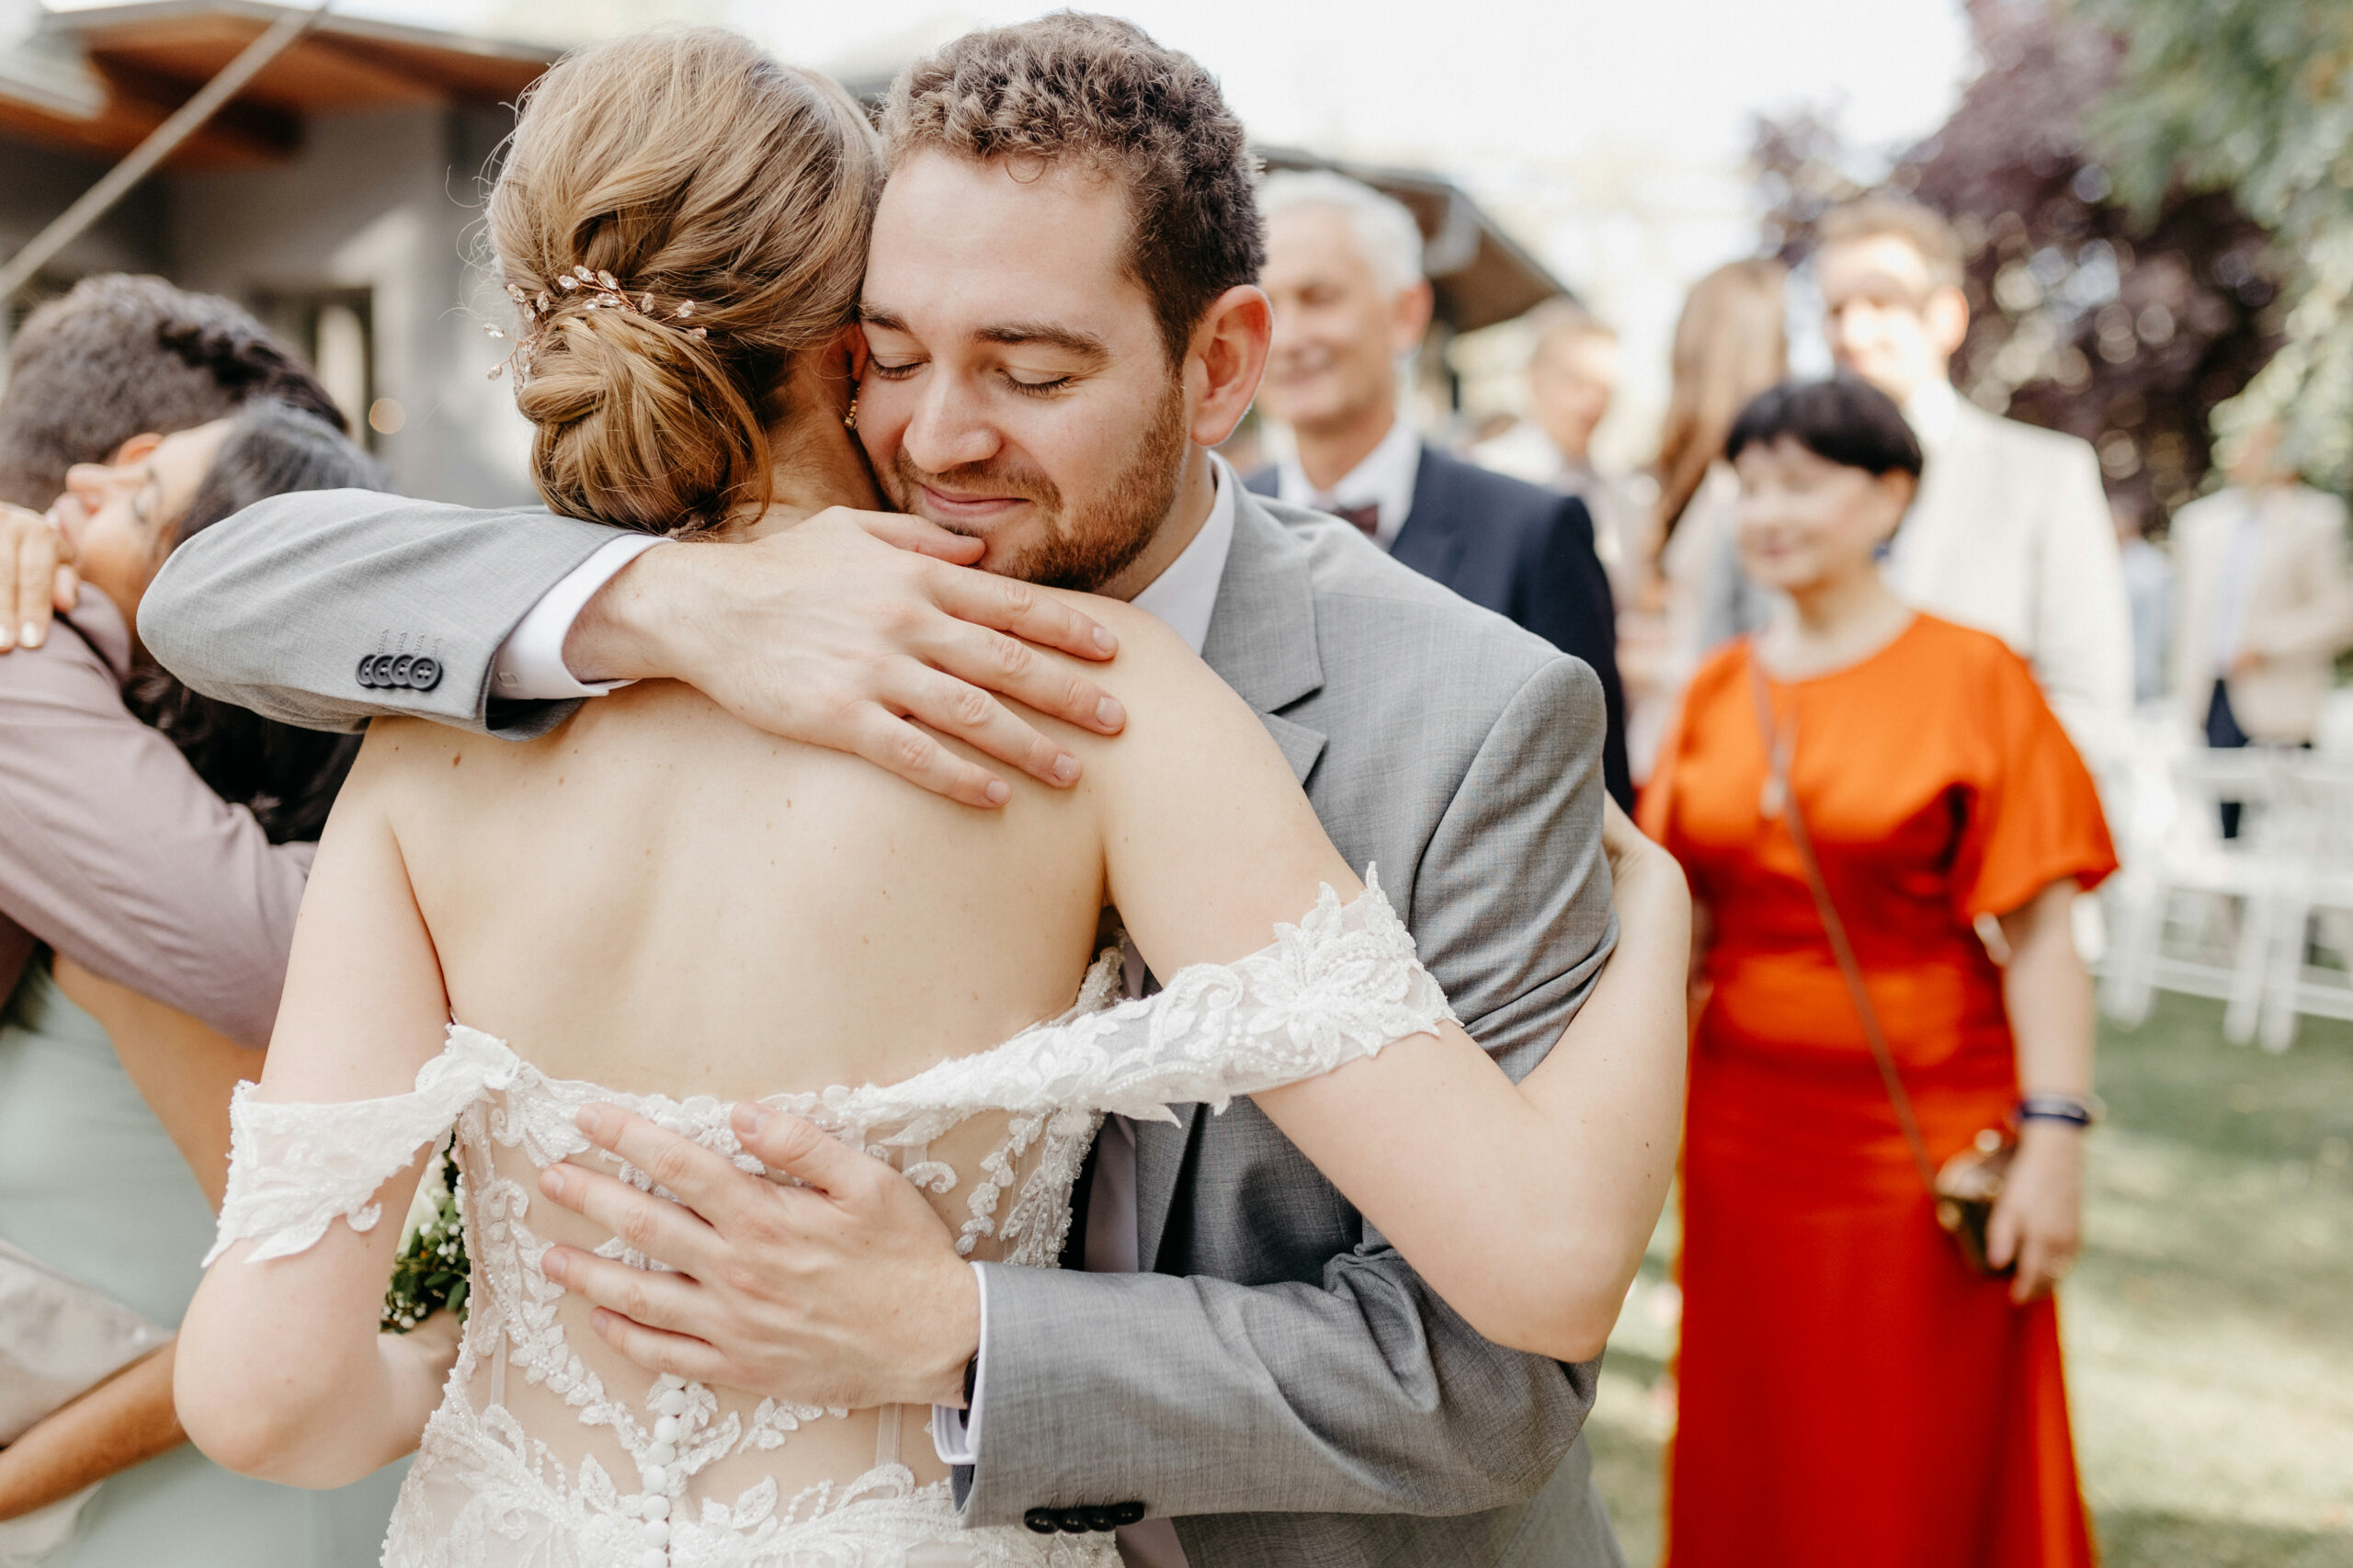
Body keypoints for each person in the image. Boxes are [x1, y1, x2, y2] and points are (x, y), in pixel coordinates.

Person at [145, 21, 1687, 1568]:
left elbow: (264, 1391)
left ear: (1217, 365)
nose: (943, 436)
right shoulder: (1079, 697)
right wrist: (677, 609)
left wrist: (474, 1371)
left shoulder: (430, 753)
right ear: (838, 331)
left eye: (1028, 371)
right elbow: (1548, 1250)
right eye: (897, 358)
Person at [1640, 377, 2115, 1568]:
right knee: (1761, 1428)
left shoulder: (1974, 675)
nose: (1766, 512)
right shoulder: (1712, 690)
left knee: (1917, 1444)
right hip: (1745, 1137)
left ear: (1890, 493)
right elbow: (1673, 935)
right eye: (1749, 486)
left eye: (1801, 481)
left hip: (1925, 1134)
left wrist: (2052, 1139)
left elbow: (2044, 934)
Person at [0, 400, 404, 1565]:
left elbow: (325, 1311)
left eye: (139, 503)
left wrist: (18, 1477)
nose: (75, 478)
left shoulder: (141, 943)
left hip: (206, 1521)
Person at [1244, 170, 1633, 807]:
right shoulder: (1216, 521)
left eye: (1319, 298)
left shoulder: (1533, 531)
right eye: (1266, 305)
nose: (1288, 337)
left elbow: (1599, 806)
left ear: (1406, 314)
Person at [1815, 196, 2132, 765]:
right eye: (1836, 310)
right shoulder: (1774, 494)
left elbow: (2089, 702)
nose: (1854, 332)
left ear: (1946, 317)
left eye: (1881, 302)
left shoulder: (2048, 479)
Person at [1620, 257, 1788, 780]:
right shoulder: (1715, 480)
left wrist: (1633, 663)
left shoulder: (1748, 493)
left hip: (1710, 768)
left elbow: (1753, 654)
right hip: (1672, 754)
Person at [2171, 420, 2353, 756]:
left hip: (2279, 700)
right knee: (2221, 802)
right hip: (2213, 695)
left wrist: (2266, 645)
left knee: (2286, 806)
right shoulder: (2198, 524)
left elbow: (2340, 612)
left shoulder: (2316, 520)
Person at [1467, 299, 1643, 602]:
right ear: (1534, 380)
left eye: (1604, 388)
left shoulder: (1628, 497)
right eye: (1575, 382)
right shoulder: (1483, 475)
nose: (1592, 403)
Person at [2113, 497, 2172, 708]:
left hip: (2142, 673)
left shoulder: (2148, 567)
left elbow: (2162, 625)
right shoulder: (2121, 563)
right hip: (2128, 669)